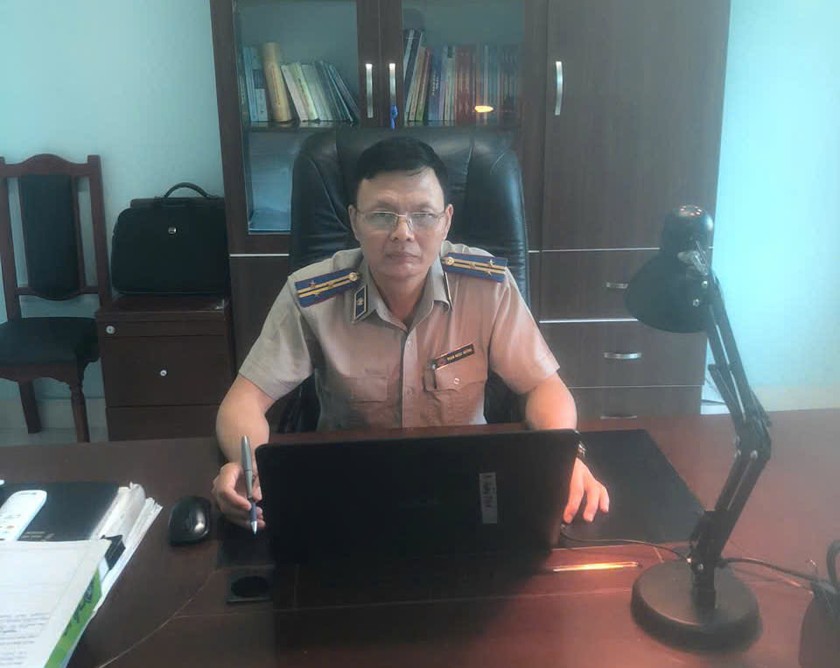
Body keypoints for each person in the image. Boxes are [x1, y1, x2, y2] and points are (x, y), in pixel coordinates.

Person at [212, 136, 609, 531]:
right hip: (347, 488)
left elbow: (544, 386)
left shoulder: (488, 287)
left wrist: (565, 459)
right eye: (382, 215)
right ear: (354, 221)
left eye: (423, 215)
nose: (403, 233)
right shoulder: (313, 296)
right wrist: (248, 468)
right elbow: (243, 402)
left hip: (466, 485)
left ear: (447, 221)